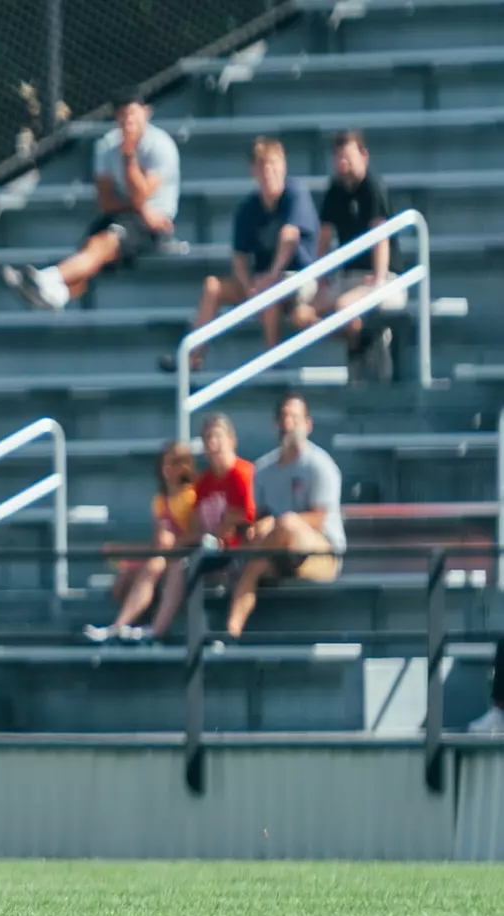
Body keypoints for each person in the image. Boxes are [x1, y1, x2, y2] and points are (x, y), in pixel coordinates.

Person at [3, 89, 180, 310]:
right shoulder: (106, 146)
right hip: (129, 215)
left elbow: (140, 194)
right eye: (123, 116)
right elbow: (106, 201)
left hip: (155, 227)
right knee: (92, 246)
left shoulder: (162, 146)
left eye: (133, 114)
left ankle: (47, 279)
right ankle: (58, 294)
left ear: (146, 113)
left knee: (103, 244)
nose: (129, 122)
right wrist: (142, 209)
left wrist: (128, 155)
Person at [161, 138, 321, 373]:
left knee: (269, 289)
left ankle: (272, 358)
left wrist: (269, 277)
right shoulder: (248, 207)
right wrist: (248, 288)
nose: (269, 172)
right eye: (262, 166)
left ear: (284, 166)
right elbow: (239, 257)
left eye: (274, 164)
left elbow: (289, 237)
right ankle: (194, 358)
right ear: (253, 171)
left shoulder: (295, 193)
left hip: (298, 277)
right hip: (263, 281)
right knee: (213, 286)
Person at [226, 392, 344, 639]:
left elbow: (319, 518)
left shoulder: (320, 465)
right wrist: (257, 527)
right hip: (277, 551)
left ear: (307, 425)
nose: (288, 423)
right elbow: (260, 515)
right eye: (284, 417)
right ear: (275, 424)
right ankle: (231, 630)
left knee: (287, 525)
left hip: (320, 551)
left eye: (295, 417)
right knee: (249, 555)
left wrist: (276, 523)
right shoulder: (263, 469)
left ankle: (233, 625)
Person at [146, 414, 258, 643]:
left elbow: (244, 521)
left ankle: (157, 631)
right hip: (210, 549)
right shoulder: (205, 482)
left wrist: (219, 531)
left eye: (217, 436)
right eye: (207, 438)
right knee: (166, 563)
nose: (212, 443)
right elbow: (196, 525)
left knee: (182, 566)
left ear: (231, 440)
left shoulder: (243, 474)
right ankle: (136, 628)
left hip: (236, 552)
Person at [84, 441, 196, 644]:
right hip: (165, 555)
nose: (170, 468)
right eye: (167, 462)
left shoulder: (191, 497)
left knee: (153, 565)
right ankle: (130, 625)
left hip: (183, 556)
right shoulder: (160, 501)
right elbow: (157, 543)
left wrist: (173, 542)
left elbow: (197, 533)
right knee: (125, 574)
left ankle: (120, 626)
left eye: (177, 462)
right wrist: (124, 551)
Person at [317, 130, 400, 382]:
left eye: (348, 156)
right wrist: (320, 278)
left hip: (382, 277)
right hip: (348, 277)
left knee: (343, 307)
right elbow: (324, 238)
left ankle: (365, 353)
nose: (343, 163)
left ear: (364, 155)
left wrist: (378, 277)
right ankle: (357, 340)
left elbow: (380, 236)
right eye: (338, 157)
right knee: (307, 311)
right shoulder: (335, 190)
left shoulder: (372, 187)